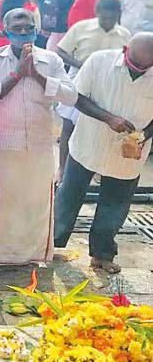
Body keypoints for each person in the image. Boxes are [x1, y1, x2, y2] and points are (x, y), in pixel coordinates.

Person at [0, 8, 76, 265]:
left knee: (36, 204)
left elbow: (69, 95)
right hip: (3, 145)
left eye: (28, 27)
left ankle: (32, 256)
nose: (23, 33)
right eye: (17, 28)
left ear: (36, 29)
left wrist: (38, 76)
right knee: (4, 204)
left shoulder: (50, 60)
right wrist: (17, 74)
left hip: (39, 144)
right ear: (6, 31)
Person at [54, 33, 153, 274]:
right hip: (90, 142)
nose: (138, 70)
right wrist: (108, 118)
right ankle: (53, 245)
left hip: (129, 154)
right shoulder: (99, 61)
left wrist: (144, 136)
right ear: (125, 50)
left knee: (116, 203)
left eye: (144, 68)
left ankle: (102, 254)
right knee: (69, 195)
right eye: (135, 65)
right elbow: (77, 98)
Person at [55, 0, 130, 179]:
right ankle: (62, 168)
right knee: (69, 126)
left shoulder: (124, 35)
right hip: (79, 79)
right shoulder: (81, 28)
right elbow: (60, 51)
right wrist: (81, 64)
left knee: (102, 126)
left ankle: (96, 168)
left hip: (108, 85)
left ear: (117, 15)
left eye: (112, 18)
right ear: (97, 13)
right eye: (104, 18)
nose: (108, 21)